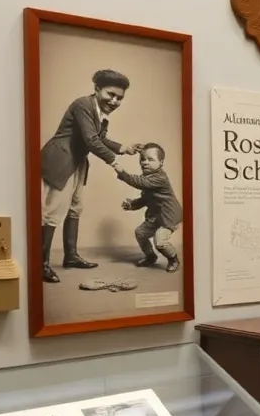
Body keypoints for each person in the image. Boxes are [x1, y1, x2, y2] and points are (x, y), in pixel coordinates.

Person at [39, 69, 143, 284]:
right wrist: (114, 162)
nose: (114, 101)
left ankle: (71, 257)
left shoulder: (100, 114)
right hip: (60, 160)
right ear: (97, 90)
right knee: (52, 212)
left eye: (119, 98)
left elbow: (100, 138)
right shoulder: (83, 105)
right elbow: (91, 140)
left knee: (75, 209)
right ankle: (41, 264)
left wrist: (124, 148)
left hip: (76, 163)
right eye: (110, 95)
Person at [114, 142, 183, 273]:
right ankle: (151, 256)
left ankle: (173, 259)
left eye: (150, 159)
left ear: (161, 163)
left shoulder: (160, 178)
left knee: (160, 241)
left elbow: (140, 182)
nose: (145, 162)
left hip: (169, 216)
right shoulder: (149, 177)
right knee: (140, 233)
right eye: (142, 159)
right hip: (156, 216)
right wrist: (132, 205)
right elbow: (147, 199)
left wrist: (123, 174)